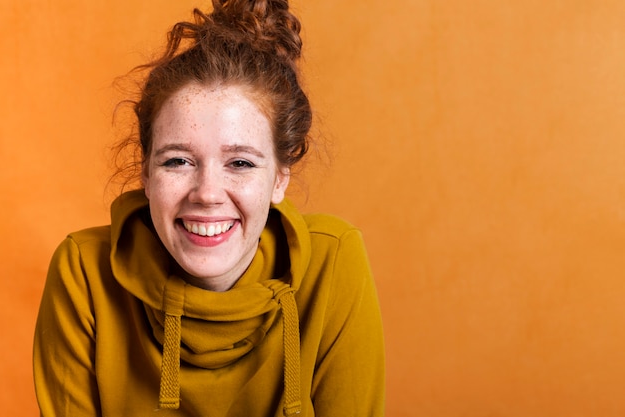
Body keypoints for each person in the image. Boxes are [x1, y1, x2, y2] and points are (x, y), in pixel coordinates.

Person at [33, 1, 385, 416]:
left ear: (280, 178)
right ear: (145, 173)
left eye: (240, 163)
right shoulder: (84, 273)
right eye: (178, 161)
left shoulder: (334, 260)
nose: (207, 194)